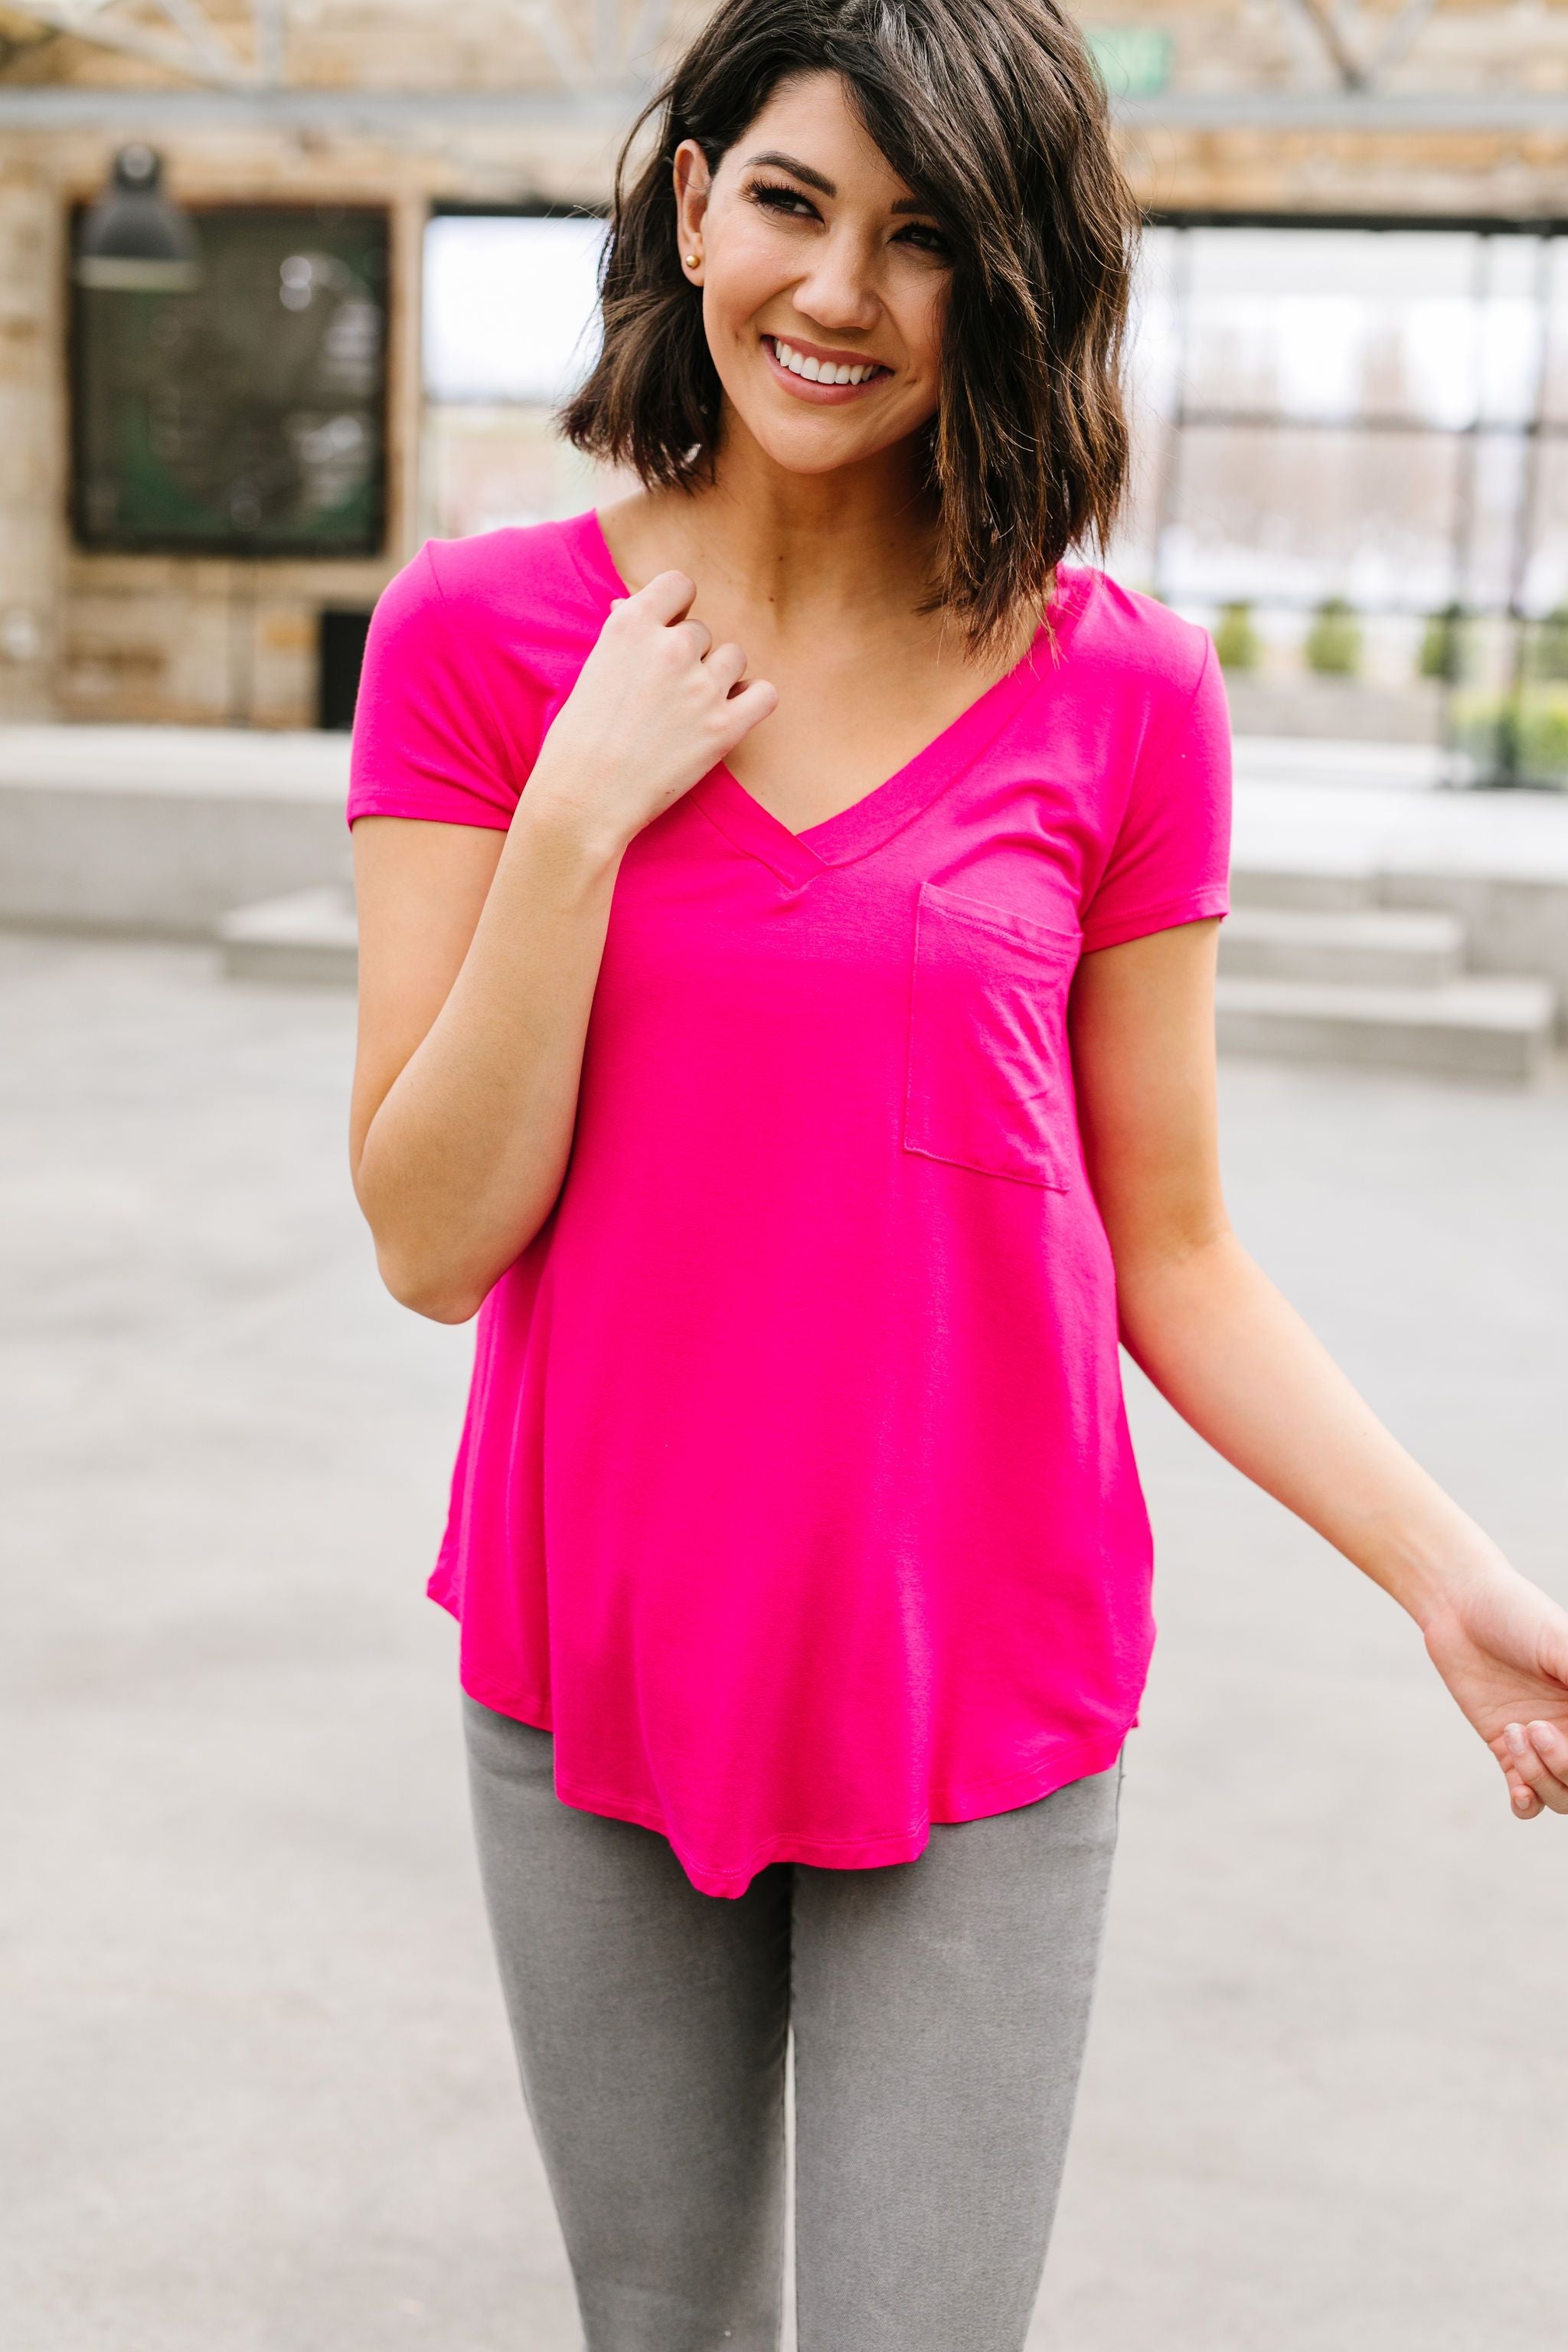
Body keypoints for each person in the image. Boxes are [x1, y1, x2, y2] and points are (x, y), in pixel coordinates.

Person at [345, 2, 1568, 2344]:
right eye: (791, 204)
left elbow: (1177, 1246)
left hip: (980, 1674)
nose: (836, 293)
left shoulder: (1125, 697)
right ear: (691, 201)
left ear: (1006, 281)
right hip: (598, 1646)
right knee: (663, 2326)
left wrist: (1449, 1579)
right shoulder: (483, 644)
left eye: (920, 242)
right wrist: (584, 816)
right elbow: (427, 1234)